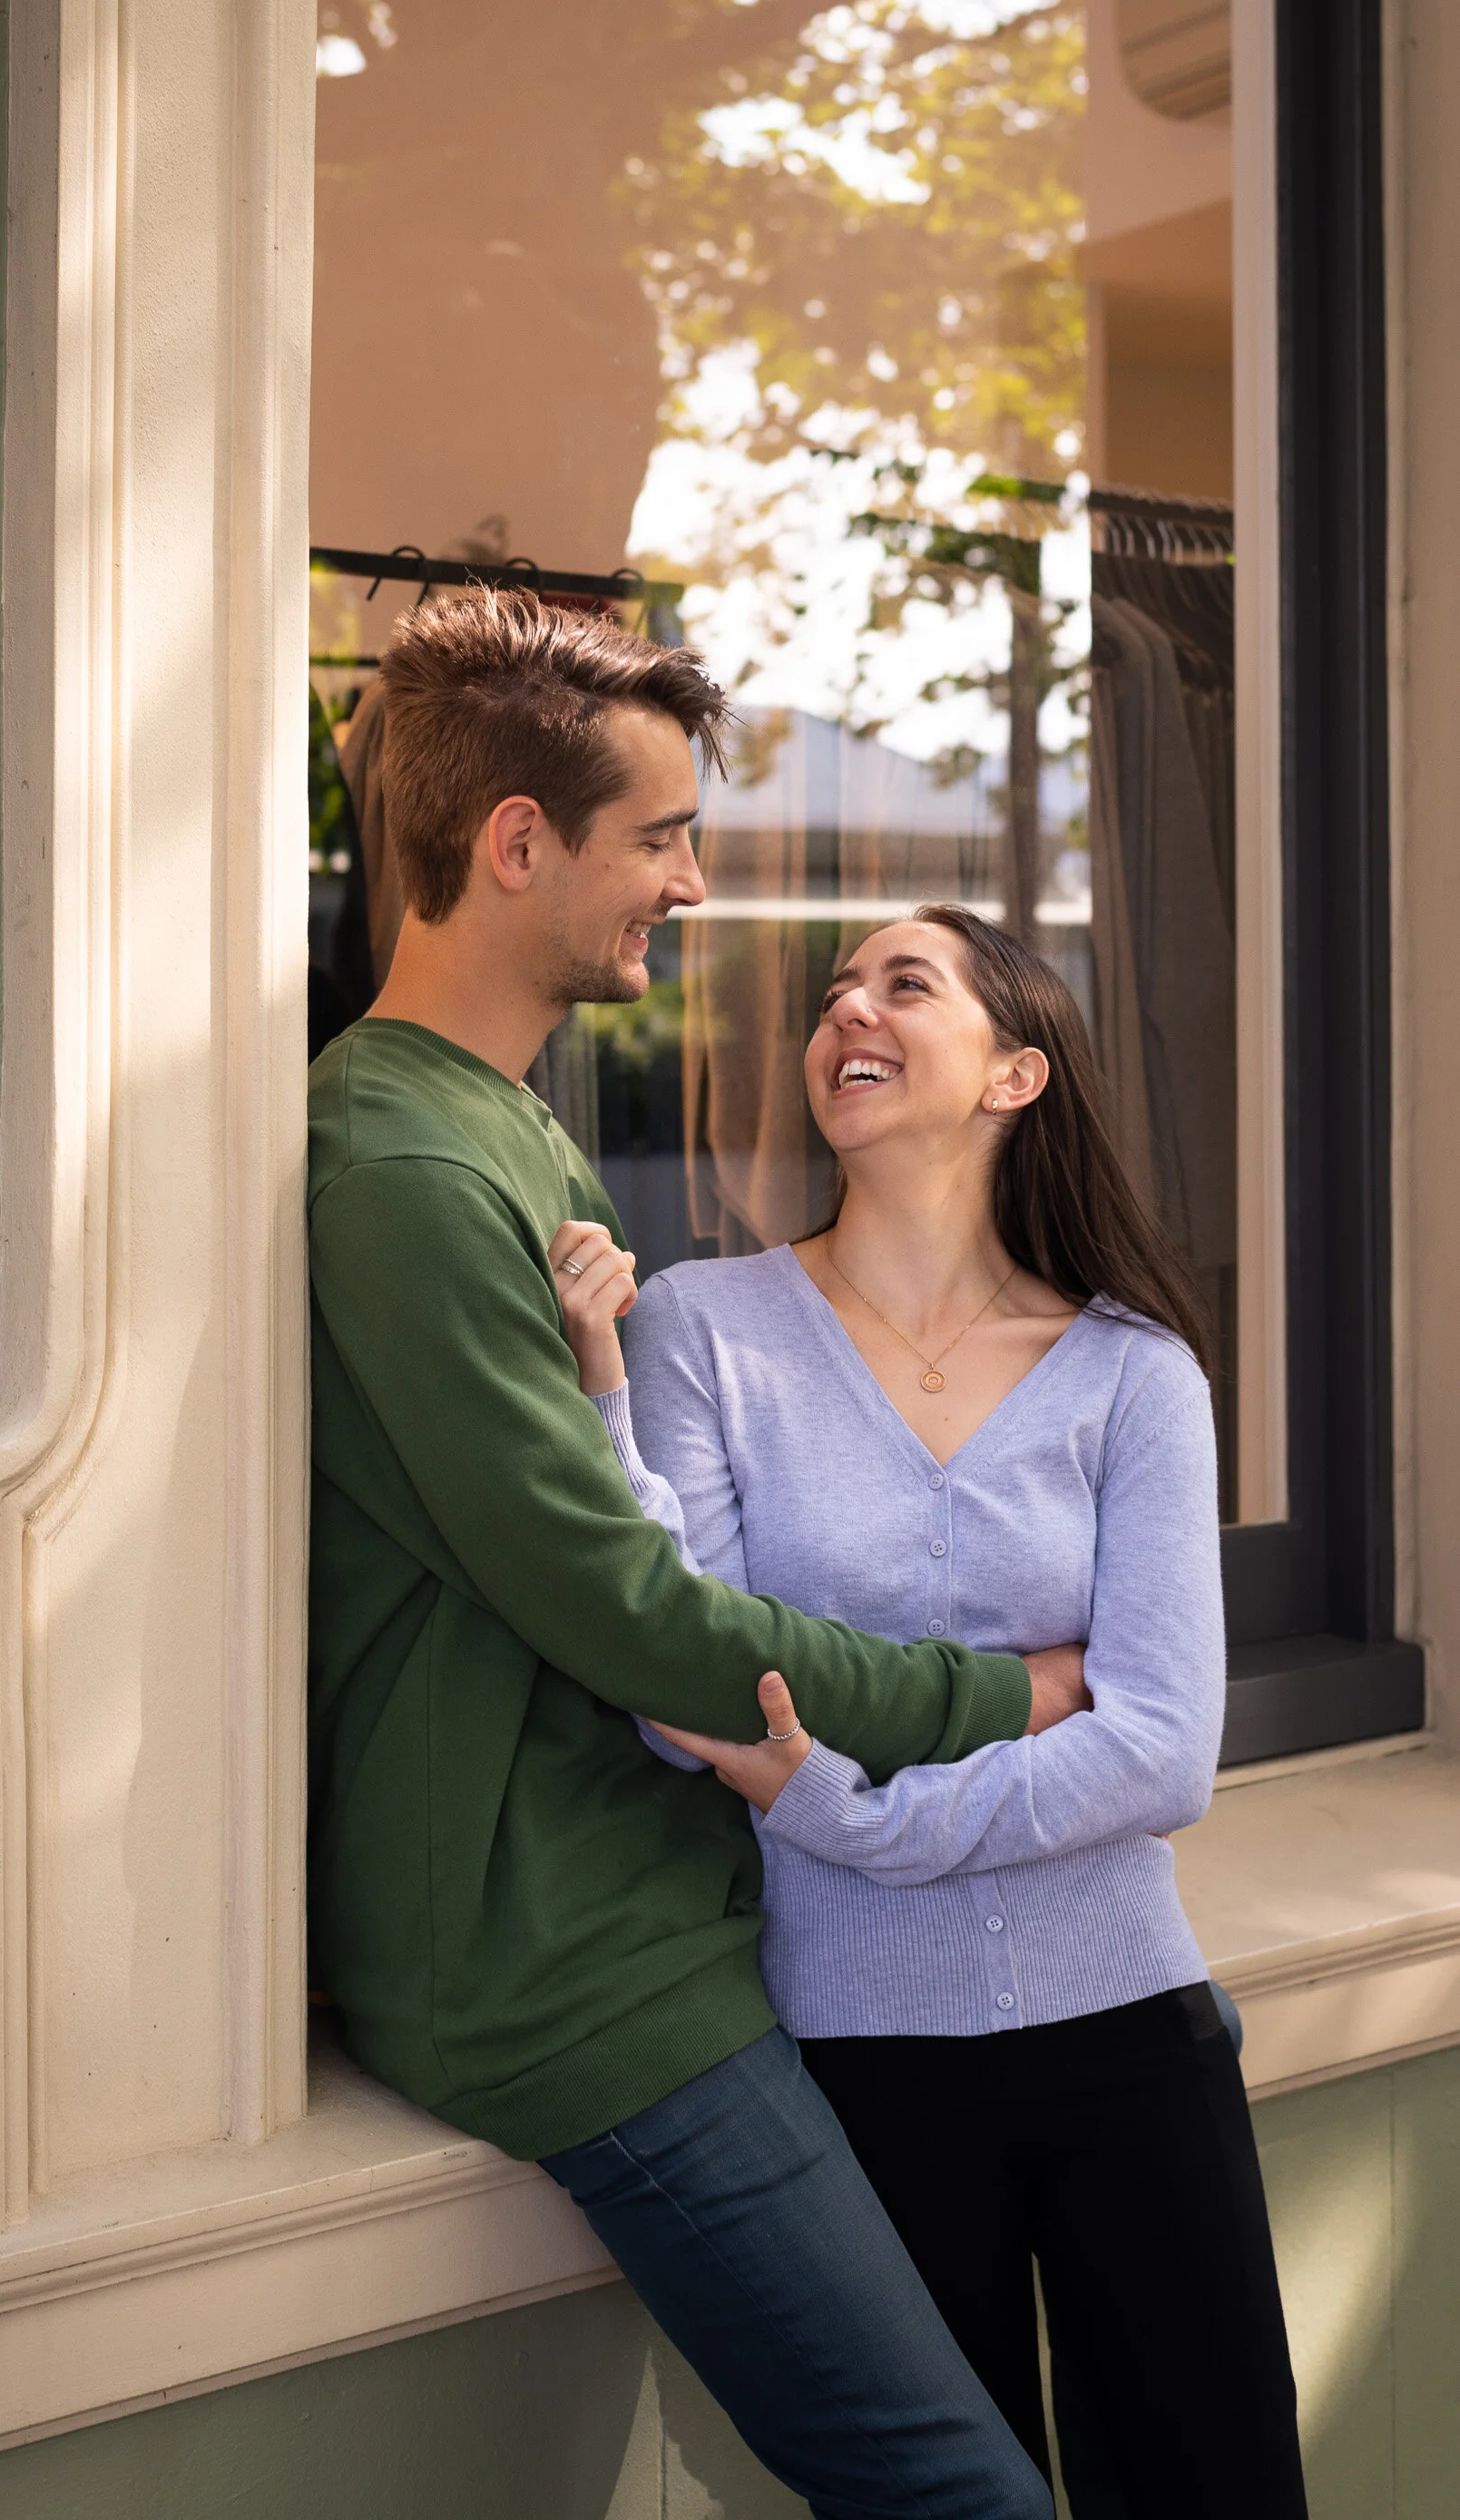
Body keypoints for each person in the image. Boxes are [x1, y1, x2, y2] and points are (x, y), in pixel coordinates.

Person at [307, 591, 1092, 2520]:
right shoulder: (401, 1170)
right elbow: (629, 1613)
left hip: (685, 1905)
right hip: (570, 1968)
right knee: (956, 2490)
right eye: (655, 835)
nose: (693, 875)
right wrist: (1002, 1697)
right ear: (515, 845)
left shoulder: (506, 1131)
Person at [558, 903, 1307, 2520]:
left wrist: (842, 1810)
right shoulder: (704, 1332)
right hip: (858, 2055)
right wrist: (606, 1388)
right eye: (834, 994)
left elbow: (1161, 1746)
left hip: (1132, 2042)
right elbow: (677, 1681)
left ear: (1013, 1071)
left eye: (905, 984)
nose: (849, 1012)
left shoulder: (1133, 1375)